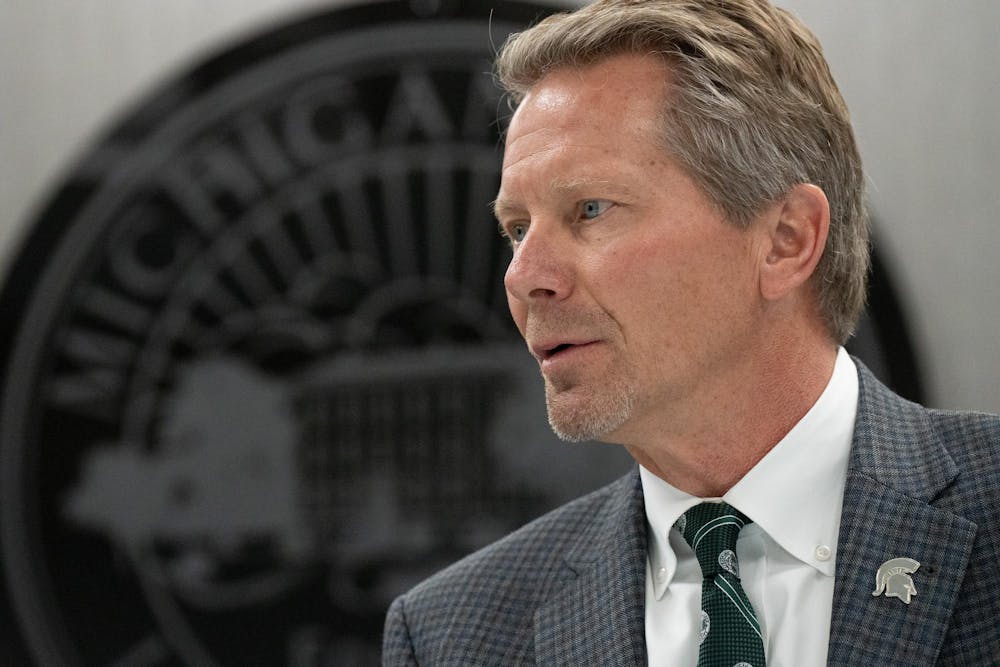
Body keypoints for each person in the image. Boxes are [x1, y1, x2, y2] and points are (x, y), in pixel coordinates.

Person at [382, 0, 1000, 664]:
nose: (524, 275)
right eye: (517, 228)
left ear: (786, 240)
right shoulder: (452, 635)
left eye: (590, 209)